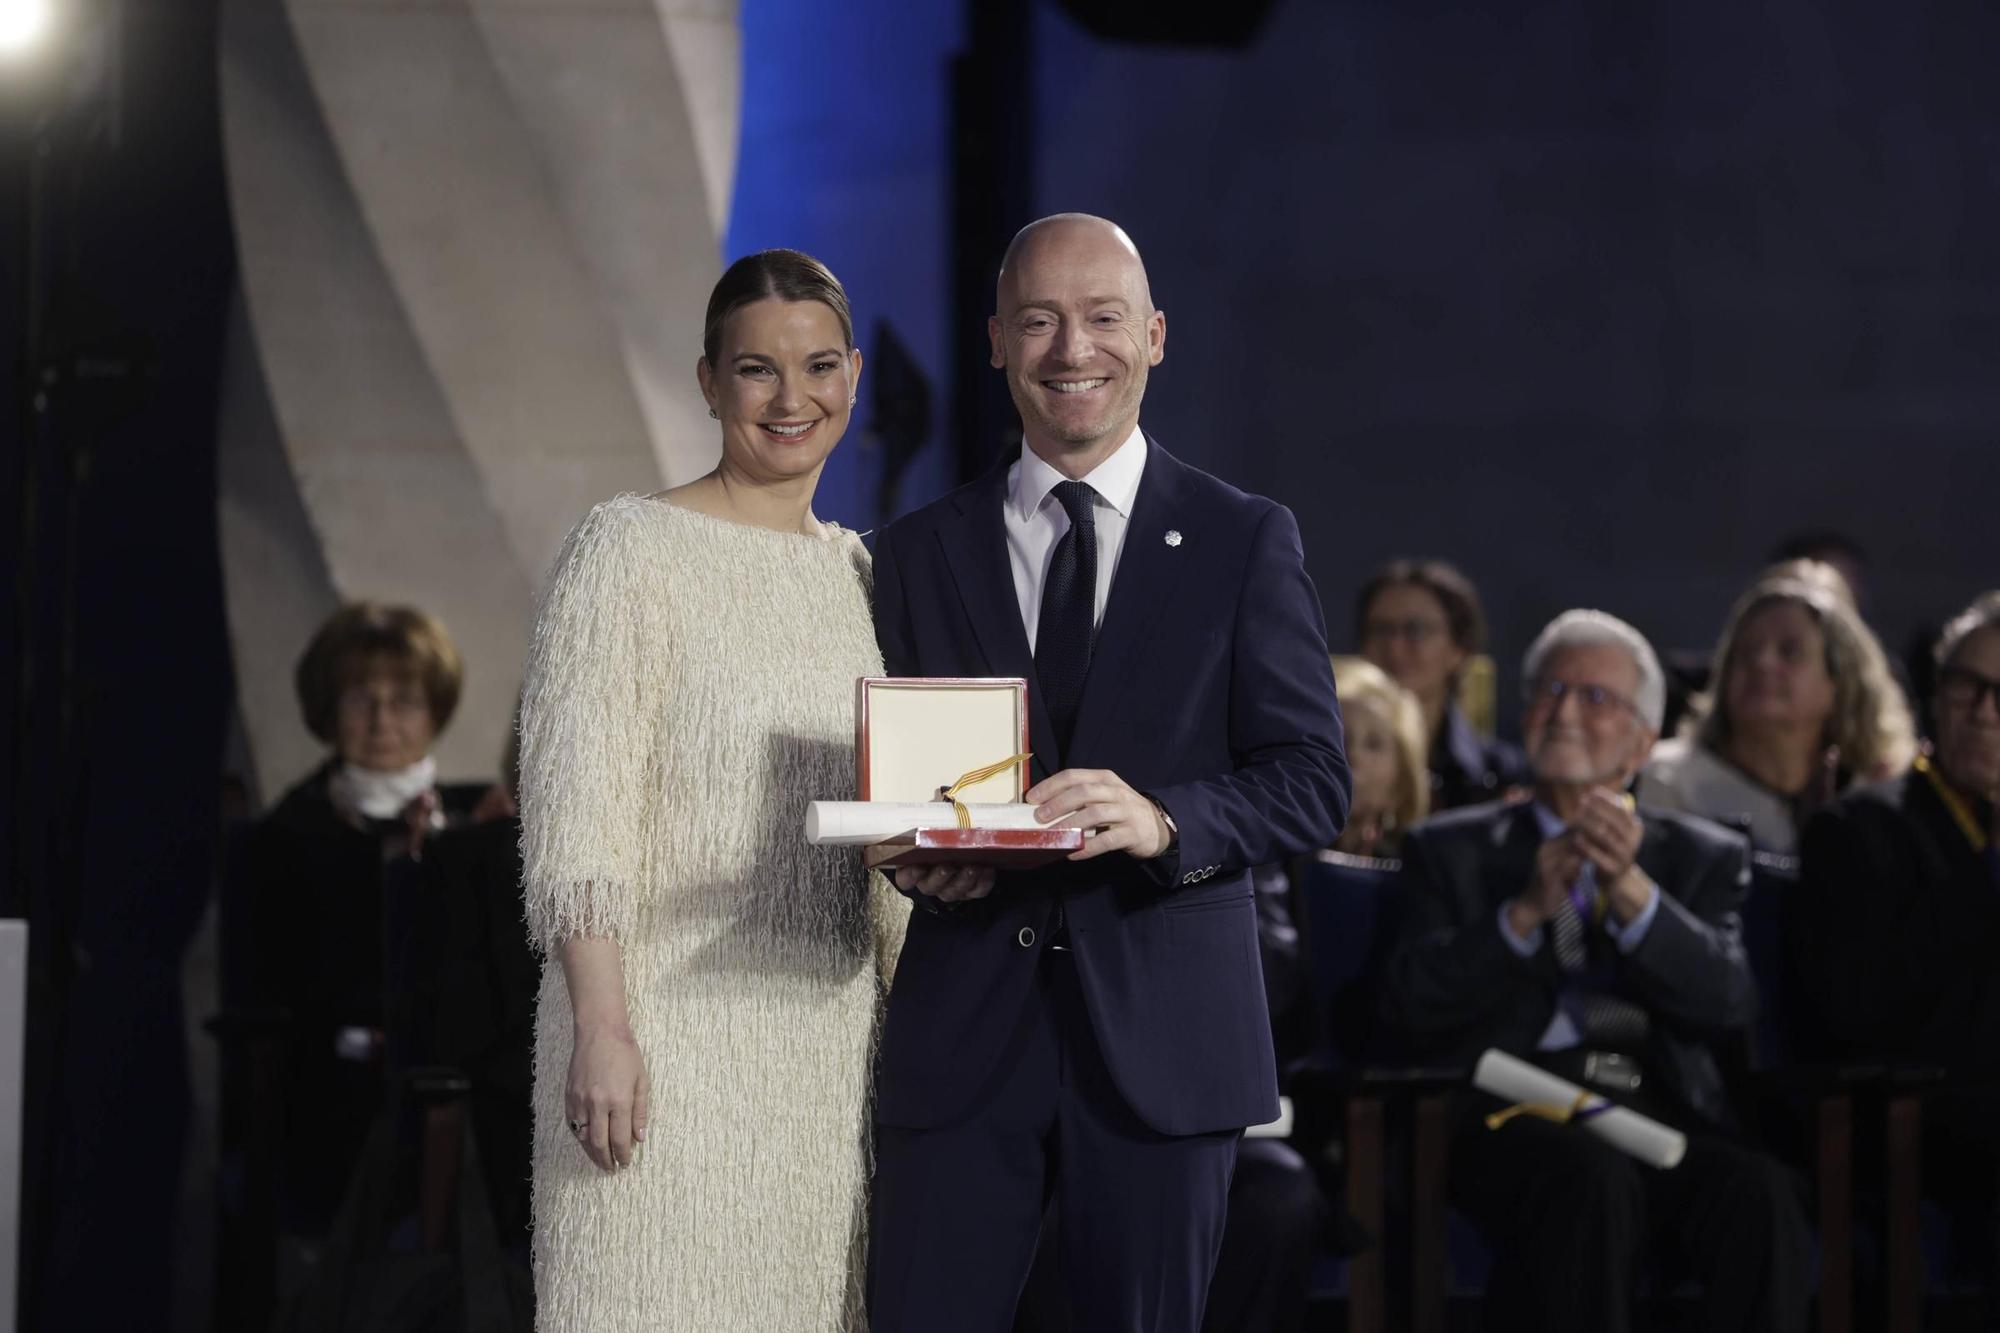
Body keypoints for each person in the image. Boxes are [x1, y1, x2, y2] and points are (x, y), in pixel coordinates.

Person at [865, 213, 1350, 1333]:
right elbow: (903, 782)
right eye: (1036, 320)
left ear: (1155, 337)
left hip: (1166, 1044)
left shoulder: (1243, 538)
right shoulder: (913, 550)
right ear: (994, 341)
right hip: (961, 1039)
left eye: (1100, 318)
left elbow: (1313, 778)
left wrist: (1163, 817)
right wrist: (911, 868)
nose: (1068, 348)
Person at [517, 250, 906, 1330]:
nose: (792, 400)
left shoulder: (865, 576)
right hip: (658, 1041)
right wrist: (602, 1026)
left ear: (856, 375)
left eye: (817, 366)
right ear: (705, 382)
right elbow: (574, 816)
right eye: (755, 370)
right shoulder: (627, 548)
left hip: (821, 1059)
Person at [1380, 609, 1809, 1333]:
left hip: (1657, 1105)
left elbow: (1730, 1001)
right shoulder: (1447, 848)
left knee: (1760, 1194)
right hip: (1511, 1112)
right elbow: (1404, 1002)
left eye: (1595, 697)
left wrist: (1636, 895)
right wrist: (1521, 915)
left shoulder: (1703, 855)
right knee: (1590, 1178)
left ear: (1644, 740)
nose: (1563, 711)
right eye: (1550, 689)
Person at [245, 601, 481, 1239]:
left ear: (435, 711)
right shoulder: (283, 838)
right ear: (328, 711)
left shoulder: (478, 829)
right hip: (325, 1118)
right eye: (359, 699)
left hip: (460, 1127)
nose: (381, 721)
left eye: (404, 701)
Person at [1798, 591, 2000, 1303]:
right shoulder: (1861, 830)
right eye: (1966, 685)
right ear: (1936, 695)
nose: (1983, 710)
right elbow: (1858, 1014)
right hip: (1924, 1114)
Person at [1639, 564, 1915, 853]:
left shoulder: (1876, 799)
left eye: (1789, 651)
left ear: (1840, 682)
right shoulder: (1663, 782)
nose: (1763, 663)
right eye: (1747, 650)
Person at [1355, 558, 1527, 809]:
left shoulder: (1501, 777)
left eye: (1416, 630)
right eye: (1380, 630)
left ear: (1459, 648)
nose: (1394, 647)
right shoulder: (1331, 762)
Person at [1329, 655, 1430, 858]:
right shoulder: (1273, 867)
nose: (1353, 754)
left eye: (1373, 744)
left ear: (1400, 786)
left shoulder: (1420, 873)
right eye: (1340, 738)